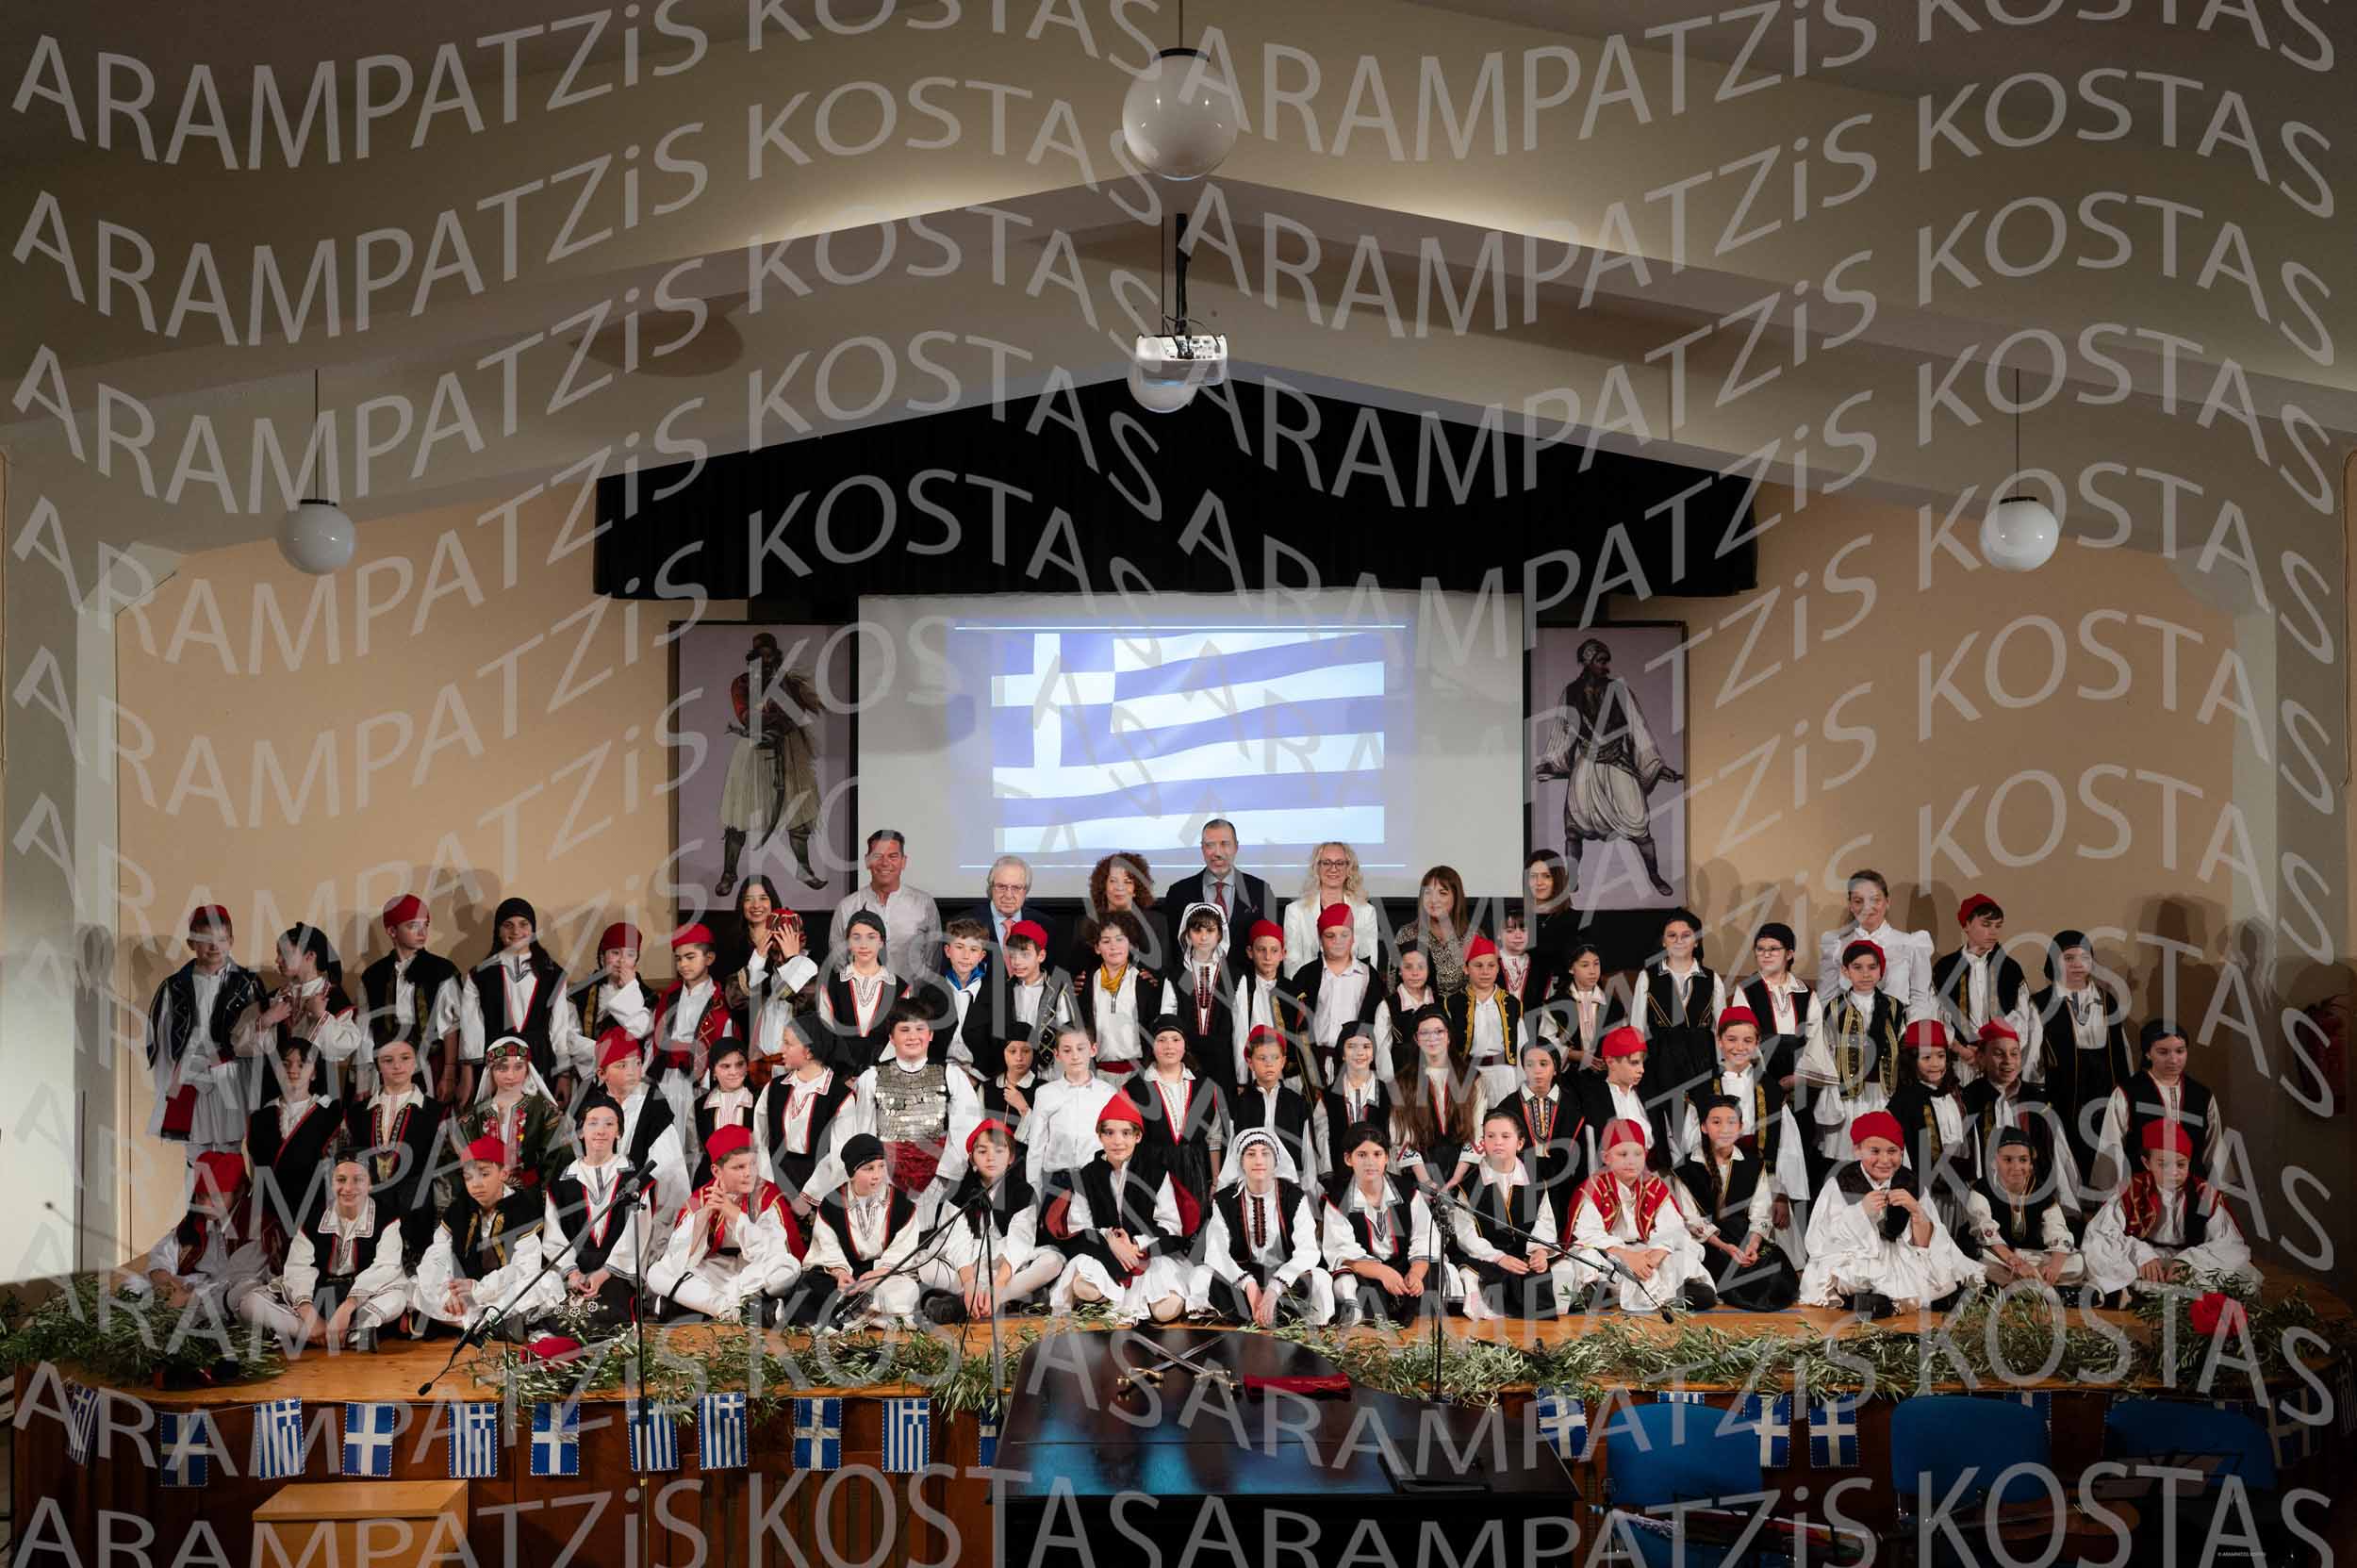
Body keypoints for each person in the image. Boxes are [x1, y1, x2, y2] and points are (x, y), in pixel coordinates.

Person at [1534, 636, 1686, 899]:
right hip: (1586, 768)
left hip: (1617, 764)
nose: (1606, 667)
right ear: (1587, 662)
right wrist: (1552, 761)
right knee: (1574, 829)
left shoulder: (1619, 690)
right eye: (1601, 661)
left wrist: (1656, 765)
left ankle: (1654, 875)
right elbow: (1563, 731)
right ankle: (1572, 878)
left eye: (1606, 662)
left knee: (1639, 824)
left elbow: (1638, 728)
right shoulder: (1571, 692)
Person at [1798, 1111, 1979, 1317]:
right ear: (1857, 1150)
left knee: (1937, 1276)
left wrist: (1916, 1211)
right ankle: (1894, 1301)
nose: (1884, 1160)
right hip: (1862, 1254)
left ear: (1901, 1152)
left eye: (1892, 1151)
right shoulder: (1841, 1182)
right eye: (1874, 1151)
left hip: (1902, 1255)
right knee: (1847, 1277)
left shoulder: (1910, 1182)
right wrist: (1860, 1212)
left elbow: (1926, 1244)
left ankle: (1885, 1304)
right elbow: (1821, 1238)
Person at [240, 1142, 410, 1352]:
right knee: (250, 1303)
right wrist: (308, 1313)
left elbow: (385, 1267)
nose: (348, 1188)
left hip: (359, 1302)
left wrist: (348, 1306)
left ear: (370, 1184)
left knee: (398, 1298)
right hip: (317, 1297)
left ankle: (324, 1334)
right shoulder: (313, 1218)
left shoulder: (386, 1219)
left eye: (358, 1180)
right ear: (332, 1183)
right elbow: (298, 1267)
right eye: (341, 1180)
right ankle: (340, 1336)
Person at [147, 905, 270, 1171]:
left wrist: (257, 1093)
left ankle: (231, 1197)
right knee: (196, 1151)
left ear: (231, 941)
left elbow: (259, 1041)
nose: (214, 947)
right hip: (188, 1075)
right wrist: (167, 1088)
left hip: (231, 1075)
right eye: (205, 940)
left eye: (222, 939)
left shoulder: (247, 984)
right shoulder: (173, 987)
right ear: (191, 943)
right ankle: (197, 1198)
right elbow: (163, 1043)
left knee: (230, 1149)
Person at [2081, 1121, 2257, 1305]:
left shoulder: (2204, 1194)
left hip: (2189, 1263)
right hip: (2145, 1262)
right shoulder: (2131, 1189)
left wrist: (2188, 1261)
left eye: (2181, 1165)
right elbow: (2100, 1234)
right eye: (2163, 1165)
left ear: (2189, 1162)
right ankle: (2163, 1293)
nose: (2173, 1173)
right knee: (2097, 1251)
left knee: (2245, 1274)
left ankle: (2136, 1292)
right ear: (2147, 1163)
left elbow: (2230, 1244)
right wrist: (2142, 1254)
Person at [1048, 1097, 1189, 1324]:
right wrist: (1111, 1240)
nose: (1117, 1141)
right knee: (1084, 1287)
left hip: (1148, 1253)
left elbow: (1171, 1225)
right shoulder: (1087, 1175)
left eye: (1126, 1133)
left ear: (1138, 1136)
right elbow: (1079, 1226)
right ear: (1100, 1136)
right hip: (1104, 1251)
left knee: (1166, 1310)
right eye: (1109, 1133)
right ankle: (1109, 1295)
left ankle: (1128, 1298)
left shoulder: (1155, 1173)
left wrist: (1135, 1245)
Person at [649, 1125, 807, 1324]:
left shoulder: (767, 1194)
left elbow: (772, 1251)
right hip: (715, 1270)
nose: (749, 1173)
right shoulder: (699, 1197)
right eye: (739, 1167)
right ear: (716, 1171)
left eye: (753, 1164)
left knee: (788, 1269)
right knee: (656, 1273)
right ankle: (731, 1310)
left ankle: (702, 1308)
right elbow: (679, 1254)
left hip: (754, 1272)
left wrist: (734, 1214)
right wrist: (705, 1213)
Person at [714, 630, 829, 899]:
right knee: (738, 815)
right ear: (752, 658)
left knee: (798, 810)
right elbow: (746, 715)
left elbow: (797, 713)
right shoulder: (742, 683)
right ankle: (729, 873)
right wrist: (766, 718)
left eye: (769, 657)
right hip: (753, 748)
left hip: (787, 746)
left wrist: (780, 716)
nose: (765, 662)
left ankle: (804, 868)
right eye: (760, 657)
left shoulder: (786, 683)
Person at [1565, 1117, 1718, 1313]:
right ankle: (1600, 1291)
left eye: (1638, 1154)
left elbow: (1673, 1227)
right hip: (1613, 1252)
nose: (1631, 1161)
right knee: (1587, 1255)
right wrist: (1628, 1257)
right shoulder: (1594, 1187)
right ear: (1606, 1157)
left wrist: (1656, 1255)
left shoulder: (1654, 1186)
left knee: (1681, 1255)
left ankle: (1670, 1292)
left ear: (1645, 1155)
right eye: (1622, 1154)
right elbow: (1589, 1234)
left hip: (1647, 1250)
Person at [412, 1136, 552, 1340]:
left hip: (499, 1288)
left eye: (484, 1174)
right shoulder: (460, 1208)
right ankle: (487, 1324)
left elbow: (524, 1268)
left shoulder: (522, 1210)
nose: (476, 1184)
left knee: (546, 1283)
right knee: (414, 1287)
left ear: (504, 1173)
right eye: (468, 1177)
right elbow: (438, 1253)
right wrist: (449, 1291)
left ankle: (467, 1323)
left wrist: (478, 1289)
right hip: (461, 1291)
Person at [919, 1121, 1060, 1321]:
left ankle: (970, 1303)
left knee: (1052, 1262)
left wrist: (999, 1286)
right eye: (983, 1151)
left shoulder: (1023, 1192)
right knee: (926, 1267)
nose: (991, 1158)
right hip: (969, 1267)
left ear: (1011, 1157)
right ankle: (1009, 1297)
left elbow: (1020, 1242)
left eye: (999, 1151)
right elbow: (958, 1244)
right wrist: (970, 1284)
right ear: (972, 1158)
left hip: (1006, 1268)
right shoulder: (958, 1193)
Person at [1195, 1128, 1335, 1327]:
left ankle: (1258, 1313)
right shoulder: (1225, 1200)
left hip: (1285, 1278)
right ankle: (1264, 1312)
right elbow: (1216, 1252)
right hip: (1242, 1278)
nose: (1259, 1161)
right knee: (1201, 1275)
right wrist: (1249, 1285)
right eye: (1251, 1154)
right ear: (1240, 1161)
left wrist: (1275, 1287)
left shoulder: (1294, 1197)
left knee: (1321, 1278)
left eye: (1265, 1154)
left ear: (1276, 1160)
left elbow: (1308, 1251)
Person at [1676, 1009, 1809, 1218]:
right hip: (1713, 1179)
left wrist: (1781, 1195)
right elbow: (1690, 1140)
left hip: (1763, 1183)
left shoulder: (1770, 1088)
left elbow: (1787, 1144)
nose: (1739, 1047)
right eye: (1731, 1039)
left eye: (1747, 1040)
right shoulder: (1702, 1088)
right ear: (1719, 1040)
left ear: (1757, 1042)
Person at [2027, 930, 2134, 1182]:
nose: (2077, 964)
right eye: (2069, 958)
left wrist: (2128, 1091)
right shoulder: (2041, 1003)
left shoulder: (2106, 1001)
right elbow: (2032, 1057)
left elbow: (2122, 1051)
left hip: (2105, 1093)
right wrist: (2035, 1097)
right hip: (2062, 1095)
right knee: (2067, 1164)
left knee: (2104, 1161)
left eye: (2084, 958)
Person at [850, 999, 981, 1204]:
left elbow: (967, 1129)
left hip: (939, 1182)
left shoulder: (952, 1076)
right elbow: (863, 1131)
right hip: (885, 1180)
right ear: (892, 1037)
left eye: (920, 1029)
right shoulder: (872, 1078)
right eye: (904, 1030)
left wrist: (948, 1172)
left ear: (931, 1034)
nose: (913, 1037)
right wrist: (873, 1174)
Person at [1795, 938, 1909, 1170]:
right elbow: (1825, 1052)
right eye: (1857, 967)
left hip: (1883, 1093)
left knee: (1882, 1152)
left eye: (1872, 967)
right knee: (1848, 1156)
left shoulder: (1895, 1007)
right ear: (1845, 971)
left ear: (1881, 971)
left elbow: (1903, 1048)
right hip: (1848, 1095)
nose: (1865, 974)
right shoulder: (1835, 1007)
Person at [1675, 1098, 1800, 1311]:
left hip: (1744, 1236)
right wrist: (1725, 1247)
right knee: (1735, 1274)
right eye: (1716, 1122)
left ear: (1741, 1127)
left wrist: (1753, 1245)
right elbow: (1691, 1219)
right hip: (1709, 1242)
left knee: (1775, 1270)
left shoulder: (1753, 1164)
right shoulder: (1686, 1169)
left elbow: (1761, 1213)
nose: (1725, 1129)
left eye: (1731, 1122)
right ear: (1704, 1127)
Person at [543, 1098, 651, 1332]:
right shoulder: (561, 1182)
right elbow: (553, 1237)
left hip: (616, 1270)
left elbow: (637, 1234)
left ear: (619, 1132)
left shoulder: (636, 1179)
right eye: (592, 1123)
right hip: (574, 1268)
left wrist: (604, 1274)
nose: (600, 1131)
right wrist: (572, 1272)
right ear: (581, 1132)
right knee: (562, 1323)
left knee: (604, 1321)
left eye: (609, 1124)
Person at [124, 1152, 269, 1325]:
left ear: (239, 1192)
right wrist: (165, 1278)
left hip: (223, 1294)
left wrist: (192, 1297)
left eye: (215, 1197)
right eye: (201, 1196)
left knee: (243, 1298)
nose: (206, 1206)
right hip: (193, 1284)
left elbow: (241, 1282)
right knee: (135, 1283)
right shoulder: (197, 1221)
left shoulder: (252, 1226)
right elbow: (166, 1250)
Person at [342, 1035, 450, 1270]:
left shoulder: (437, 1112)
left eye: (405, 1058)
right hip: (369, 1218)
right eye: (388, 1060)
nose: (397, 1066)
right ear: (378, 1064)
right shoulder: (357, 1114)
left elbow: (447, 1172)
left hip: (418, 1217)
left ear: (416, 1062)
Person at [1319, 1123, 1442, 1326]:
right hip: (1366, 1270)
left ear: (1386, 1158)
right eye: (1362, 1155)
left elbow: (1424, 1237)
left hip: (1404, 1265)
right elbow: (1343, 1252)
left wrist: (1416, 1273)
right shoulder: (1337, 1199)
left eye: (1377, 1154)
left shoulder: (1408, 1192)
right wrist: (1383, 1272)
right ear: (1348, 1159)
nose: (1370, 1162)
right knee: (1346, 1281)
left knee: (1439, 1274)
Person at [2090, 1019, 2225, 1199]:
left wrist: (2217, 1191)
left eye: (2180, 1051)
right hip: (2142, 1192)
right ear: (2148, 1053)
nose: (2173, 1059)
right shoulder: (2128, 1092)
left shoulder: (2202, 1095)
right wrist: (2111, 1195)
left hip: (2192, 1192)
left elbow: (2214, 1148)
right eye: (2163, 1052)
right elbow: (2111, 1145)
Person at [1452, 1109, 1567, 1320]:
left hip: (1525, 1254)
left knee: (1563, 1269)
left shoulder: (1535, 1180)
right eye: (1491, 1136)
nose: (1498, 1142)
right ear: (1483, 1142)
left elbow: (1545, 1221)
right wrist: (1499, 1257)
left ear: (1520, 1143)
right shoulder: (1470, 1184)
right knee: (1470, 1276)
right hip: (1487, 1256)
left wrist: (1540, 1251)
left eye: (1505, 1136)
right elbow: (1465, 1235)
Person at [232, 924, 366, 1103]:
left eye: (284, 953)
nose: (277, 960)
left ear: (310, 956)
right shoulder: (273, 1000)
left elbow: (346, 1045)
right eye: (277, 953)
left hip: (318, 1096)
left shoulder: (333, 998)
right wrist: (266, 1020)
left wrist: (322, 1016)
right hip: (274, 1093)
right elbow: (239, 1046)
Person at [802, 1134, 925, 1328]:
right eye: (869, 1169)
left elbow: (903, 1249)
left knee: (907, 1289)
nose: (877, 1175)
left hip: (884, 1274)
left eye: (881, 1166)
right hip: (847, 1275)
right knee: (811, 1285)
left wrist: (880, 1273)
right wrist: (840, 1273)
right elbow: (827, 1246)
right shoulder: (831, 1204)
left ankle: (854, 1313)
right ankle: (876, 1315)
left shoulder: (902, 1205)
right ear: (852, 1173)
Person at [1963, 1023, 2083, 1217]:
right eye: (1999, 1053)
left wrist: (2068, 1209)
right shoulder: (1969, 1100)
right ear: (1982, 1057)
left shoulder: (2037, 1099)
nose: (2008, 1061)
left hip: (2034, 1195)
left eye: (2014, 1053)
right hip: (1986, 1201)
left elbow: (2059, 1155)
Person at [358, 895, 466, 1108]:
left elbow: (451, 1027)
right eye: (413, 926)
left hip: (430, 1066)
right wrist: (363, 1079)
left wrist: (449, 1073)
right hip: (387, 1068)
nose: (422, 932)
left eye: (425, 925)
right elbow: (365, 1031)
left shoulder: (441, 971)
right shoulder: (373, 976)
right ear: (392, 931)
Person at [580, 1028, 692, 1228]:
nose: (632, 1072)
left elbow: (668, 1166)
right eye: (622, 1065)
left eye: (637, 1063)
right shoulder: (591, 1105)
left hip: (642, 1202)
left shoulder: (654, 1105)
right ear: (602, 1074)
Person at [460, 899, 573, 1096]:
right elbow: (471, 1028)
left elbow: (559, 1028)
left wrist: (564, 1074)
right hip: (495, 1059)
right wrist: (468, 1075)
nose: (516, 931)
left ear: (533, 929)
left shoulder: (552, 974)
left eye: (523, 924)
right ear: (498, 930)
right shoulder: (480, 974)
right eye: (508, 925)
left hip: (539, 1059)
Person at [1127, 1016, 1225, 1238]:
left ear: (1184, 1044)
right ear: (1152, 1045)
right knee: (1156, 1235)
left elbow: (1214, 1138)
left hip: (1193, 1171)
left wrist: (1216, 1179)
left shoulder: (1206, 1088)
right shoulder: (1135, 1088)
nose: (1169, 1046)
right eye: (1161, 1040)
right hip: (1151, 1171)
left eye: (1175, 1039)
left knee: (1193, 1235)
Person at [753, 1015, 859, 1216]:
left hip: (820, 1185)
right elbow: (760, 1141)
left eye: (788, 1043)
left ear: (809, 1051)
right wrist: (770, 1184)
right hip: (776, 1179)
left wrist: (808, 1196)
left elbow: (840, 1154)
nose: (781, 1049)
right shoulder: (774, 1088)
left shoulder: (839, 1096)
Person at [1965, 1129, 2085, 1296]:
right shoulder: (1981, 1191)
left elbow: (2058, 1232)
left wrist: (2054, 1267)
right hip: (1998, 1254)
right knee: (1980, 1260)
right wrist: (2016, 1263)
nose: (2016, 1167)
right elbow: (1987, 1234)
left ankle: (2021, 1287)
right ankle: (2046, 1290)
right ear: (1994, 1162)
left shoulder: (2041, 1192)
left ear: (2031, 1164)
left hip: (2029, 1256)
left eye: (2023, 1160)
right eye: (2008, 1160)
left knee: (2077, 1262)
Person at [246, 1039, 344, 1242]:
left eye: (302, 1064)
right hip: (271, 1215)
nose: (293, 1070)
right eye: (285, 1063)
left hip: (317, 1211)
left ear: (314, 1072)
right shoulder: (259, 1118)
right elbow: (258, 1174)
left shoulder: (332, 1114)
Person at [648, 923, 738, 1129]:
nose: (683, 965)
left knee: (694, 1132)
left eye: (690, 957)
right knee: (666, 1132)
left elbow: (724, 1045)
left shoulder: (719, 1000)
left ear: (709, 958)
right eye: (678, 959)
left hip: (699, 1082)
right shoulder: (669, 997)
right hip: (667, 1078)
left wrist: (708, 1081)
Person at [1931, 894, 2036, 1069]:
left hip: (2000, 1061)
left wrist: (1998, 1052)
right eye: (1986, 925)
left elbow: (2022, 1016)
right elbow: (1936, 1014)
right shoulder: (1945, 968)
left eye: (1998, 926)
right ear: (1966, 925)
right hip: (1959, 1060)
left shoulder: (2010, 969)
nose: (1993, 932)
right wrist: (1960, 1049)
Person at [1389, 1005, 1482, 1197]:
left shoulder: (1472, 1078)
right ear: (1416, 1039)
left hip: (1464, 1171)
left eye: (1439, 1031)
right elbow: (1402, 1134)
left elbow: (1477, 1131)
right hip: (1420, 1169)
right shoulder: (1403, 1082)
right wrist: (1426, 1182)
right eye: (1424, 1033)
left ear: (1449, 1037)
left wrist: (1456, 1179)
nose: (1432, 1038)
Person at [461, 1034, 574, 1194]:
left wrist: (542, 1197)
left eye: (518, 1067)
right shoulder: (474, 1118)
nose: (511, 1075)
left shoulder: (544, 1110)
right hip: (487, 1197)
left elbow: (556, 1160)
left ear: (528, 1070)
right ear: (490, 1071)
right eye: (502, 1068)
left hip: (532, 1196)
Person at [1816, 870, 1933, 1023]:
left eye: (1875, 900)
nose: (1867, 907)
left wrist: (1908, 1032)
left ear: (1887, 902)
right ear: (1850, 905)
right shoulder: (1836, 948)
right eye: (1858, 901)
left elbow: (1920, 999)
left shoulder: (1911, 944)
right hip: (1849, 1033)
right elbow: (1826, 1000)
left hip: (1898, 1032)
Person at [1629, 909, 1723, 1096]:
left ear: (1696, 941)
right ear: (1664, 942)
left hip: (1702, 1060)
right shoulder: (1647, 976)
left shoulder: (1712, 979)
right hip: (1661, 1061)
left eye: (1686, 935)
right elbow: (1637, 1027)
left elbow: (1720, 1028)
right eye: (1672, 936)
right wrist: (1636, 1064)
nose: (1679, 941)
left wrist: (1723, 1065)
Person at [1069, 910, 1172, 1081]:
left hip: (1139, 1073)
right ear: (1097, 947)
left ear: (1130, 944)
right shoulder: (1086, 983)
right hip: (1097, 1073)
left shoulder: (1144, 982)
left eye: (1120, 939)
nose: (1113, 946)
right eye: (1106, 941)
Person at [1294, 902, 1390, 1086]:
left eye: (1344, 935)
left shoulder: (1369, 976)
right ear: (1320, 939)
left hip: (1357, 1062)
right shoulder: (1306, 975)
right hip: (1314, 1060)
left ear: (1353, 938)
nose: (1338, 941)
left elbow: (1377, 1024)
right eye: (1330, 936)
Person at [832, 830, 943, 982]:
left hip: (913, 996)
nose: (885, 863)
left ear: (903, 861)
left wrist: (916, 993)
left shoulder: (924, 904)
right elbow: (839, 962)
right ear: (867, 861)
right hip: (859, 995)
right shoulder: (847, 907)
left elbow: (932, 962)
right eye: (877, 856)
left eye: (893, 856)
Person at [1026, 1022, 1121, 1198]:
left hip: (1097, 1180)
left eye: (1081, 1048)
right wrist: (1034, 1191)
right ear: (1057, 1054)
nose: (1075, 1056)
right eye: (1067, 1050)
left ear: (1093, 1050)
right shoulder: (1045, 1094)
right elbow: (1036, 1147)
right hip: (1057, 1183)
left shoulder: (1108, 1093)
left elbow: (1115, 1144)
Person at [1502, 1038, 1585, 1233]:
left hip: (1562, 1183)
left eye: (1543, 1064)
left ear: (1555, 1068)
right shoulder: (1508, 1106)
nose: (1537, 1071)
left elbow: (1581, 1154)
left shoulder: (1572, 1105)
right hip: (1522, 1182)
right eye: (1530, 1064)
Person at [721, 881, 818, 1048]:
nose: (756, 905)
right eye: (748, 899)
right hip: (750, 1038)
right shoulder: (734, 946)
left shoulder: (807, 965)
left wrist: (792, 959)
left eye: (763, 898)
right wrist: (759, 957)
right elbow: (735, 998)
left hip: (793, 1049)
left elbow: (808, 1002)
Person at [565, 923, 656, 1097]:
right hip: (591, 1075)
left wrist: (630, 987)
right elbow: (571, 1038)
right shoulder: (580, 994)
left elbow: (642, 1030)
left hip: (633, 1081)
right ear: (602, 957)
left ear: (636, 960)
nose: (622, 961)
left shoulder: (649, 997)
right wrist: (605, 1052)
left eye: (630, 954)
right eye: (615, 953)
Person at [1164, 817, 1275, 961]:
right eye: (1210, 845)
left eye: (1225, 844)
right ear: (1202, 849)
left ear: (1236, 847)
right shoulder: (1178, 893)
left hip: (1246, 975)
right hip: (1194, 975)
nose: (1217, 853)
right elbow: (1173, 951)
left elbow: (1272, 947)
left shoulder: (1261, 891)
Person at [1574, 1027, 1681, 1175]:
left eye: (1642, 1063)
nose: (1641, 1070)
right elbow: (1591, 1148)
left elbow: (1666, 1135)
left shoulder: (1649, 1093)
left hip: (1653, 1173)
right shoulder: (1593, 1099)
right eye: (1634, 1063)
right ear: (1611, 1062)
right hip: (1612, 1177)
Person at [1230, 1025, 1320, 1188]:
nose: (1269, 1064)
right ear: (1250, 1062)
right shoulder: (1239, 1104)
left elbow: (1307, 1152)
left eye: (1275, 1057)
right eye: (1262, 1058)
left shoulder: (1297, 1103)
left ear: (1283, 1061)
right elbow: (1232, 1150)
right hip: (1251, 1186)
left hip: (1290, 1185)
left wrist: (1308, 1190)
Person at [815, 910, 902, 1072]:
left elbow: (902, 1036)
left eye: (871, 937)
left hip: (887, 1074)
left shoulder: (900, 987)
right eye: (856, 937)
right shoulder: (831, 985)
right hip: (841, 1074)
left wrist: (879, 1072)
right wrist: (845, 1075)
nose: (864, 945)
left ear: (882, 942)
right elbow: (825, 1034)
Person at [1230, 919, 1309, 1092]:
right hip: (1251, 1073)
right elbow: (1239, 1035)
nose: (1267, 957)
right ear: (1250, 952)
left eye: (1274, 951)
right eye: (1261, 950)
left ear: (1283, 954)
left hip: (1286, 1076)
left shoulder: (1293, 992)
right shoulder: (1242, 987)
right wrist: (1241, 1080)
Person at [1446, 933, 1523, 1106]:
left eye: (1491, 965)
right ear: (1466, 968)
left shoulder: (1512, 1004)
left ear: (1498, 968)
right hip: (1468, 1073)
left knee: (1505, 1116)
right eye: (1478, 965)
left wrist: (1521, 1080)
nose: (1485, 972)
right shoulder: (1452, 1004)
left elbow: (1521, 1047)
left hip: (1504, 1074)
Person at [1314, 1023, 1395, 1180]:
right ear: (1342, 1053)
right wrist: (1329, 1177)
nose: (1359, 1052)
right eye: (1351, 1046)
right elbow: (1321, 1138)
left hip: (1380, 1178)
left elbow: (1395, 1138)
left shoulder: (1388, 1093)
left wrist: (1390, 1178)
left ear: (1373, 1053)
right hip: (1341, 1177)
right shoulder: (1329, 1096)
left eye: (1366, 1046)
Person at [914, 917, 996, 1069]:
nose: (966, 956)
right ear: (948, 951)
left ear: (981, 956)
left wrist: (976, 1076)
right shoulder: (929, 993)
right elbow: (922, 1040)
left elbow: (999, 1044)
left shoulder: (996, 994)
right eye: (959, 947)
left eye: (973, 950)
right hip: (938, 1071)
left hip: (979, 1074)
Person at [1283, 842, 1378, 971]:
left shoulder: (1366, 912)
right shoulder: (1295, 911)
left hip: (1353, 983)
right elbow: (1292, 963)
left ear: (1349, 868)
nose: (1333, 869)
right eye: (1326, 863)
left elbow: (1370, 964)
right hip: (1308, 983)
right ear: (1317, 867)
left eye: (1340, 863)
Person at [1170, 903, 1238, 1081]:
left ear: (1220, 934)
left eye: (1210, 930)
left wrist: (1242, 1077)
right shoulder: (1178, 975)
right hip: (1185, 1065)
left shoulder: (1234, 976)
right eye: (1197, 930)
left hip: (1223, 1065)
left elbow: (1241, 1031)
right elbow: (1168, 1022)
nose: (1203, 937)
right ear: (1187, 933)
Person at [1073, 852, 1170, 976]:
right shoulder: (1086, 922)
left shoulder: (1156, 922)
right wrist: (1077, 980)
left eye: (1127, 881)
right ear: (1103, 887)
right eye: (1113, 881)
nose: (1120, 888)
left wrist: (1156, 979)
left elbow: (1165, 968)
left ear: (1136, 888)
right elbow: (1075, 967)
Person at [688, 1040, 761, 1190]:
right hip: (710, 1181)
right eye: (725, 1066)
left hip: (750, 1180)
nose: (734, 1072)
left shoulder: (759, 1102)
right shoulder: (700, 1106)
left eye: (739, 1064)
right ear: (713, 1071)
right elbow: (693, 1152)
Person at [1397, 866, 1473, 999]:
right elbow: (1393, 987)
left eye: (1442, 893)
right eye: (1428, 893)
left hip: (1463, 1009)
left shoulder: (1472, 937)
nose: (1433, 900)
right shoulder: (1406, 934)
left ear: (1456, 897)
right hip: (1417, 1009)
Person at [966, 854, 1061, 961]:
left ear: (1026, 890)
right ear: (991, 888)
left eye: (1016, 887)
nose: (1008, 895)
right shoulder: (964, 924)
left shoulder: (1045, 925)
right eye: (1001, 886)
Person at [1546, 942, 1621, 1071]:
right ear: (1571, 969)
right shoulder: (1554, 1005)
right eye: (1585, 965)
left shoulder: (1615, 1006)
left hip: (1607, 1076)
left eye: (1596, 964)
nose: (1592, 971)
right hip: (1569, 1076)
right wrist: (1575, 1055)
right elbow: (1546, 1043)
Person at [981, 1033, 1043, 1161]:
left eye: (1026, 1051)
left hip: (1026, 1163)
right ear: (1003, 1053)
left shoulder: (1043, 1090)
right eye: (1012, 1051)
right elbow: (975, 1130)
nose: (1019, 1058)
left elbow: (1047, 1136)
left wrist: (1024, 1109)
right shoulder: (986, 1088)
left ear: (1033, 1053)